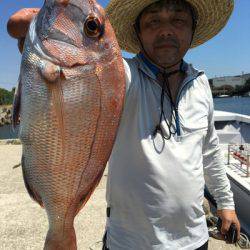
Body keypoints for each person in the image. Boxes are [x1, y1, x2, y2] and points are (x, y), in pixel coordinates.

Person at [7, 0, 241, 249]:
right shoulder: (121, 75)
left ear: (192, 28)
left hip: (194, 238)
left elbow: (210, 150)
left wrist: (226, 204)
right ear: (137, 31)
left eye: (178, 20)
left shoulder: (201, 83)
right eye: (153, 21)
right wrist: (49, 28)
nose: (165, 30)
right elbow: (18, 24)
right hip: (128, 242)